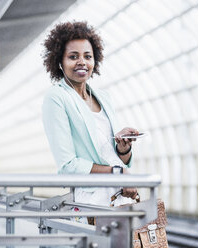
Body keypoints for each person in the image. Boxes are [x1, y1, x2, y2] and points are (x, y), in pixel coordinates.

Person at [41, 21, 138, 213]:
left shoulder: (103, 97)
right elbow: (67, 165)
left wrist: (122, 149)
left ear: (96, 60)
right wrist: (117, 173)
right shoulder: (56, 98)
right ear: (59, 61)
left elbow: (108, 155)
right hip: (92, 201)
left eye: (88, 56)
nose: (82, 62)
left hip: (121, 196)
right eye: (73, 56)